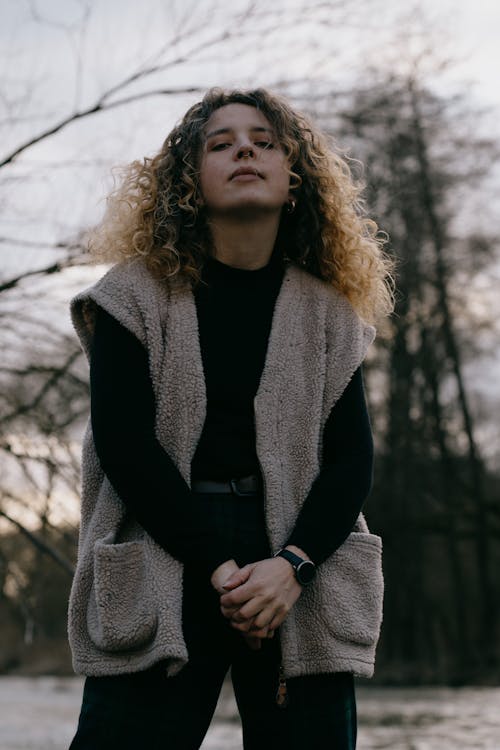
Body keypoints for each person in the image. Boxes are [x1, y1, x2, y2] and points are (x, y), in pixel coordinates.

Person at [67, 87, 393, 750]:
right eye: (220, 143)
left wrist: (292, 566)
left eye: (264, 141)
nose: (244, 148)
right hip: (168, 544)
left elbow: (352, 461)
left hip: (298, 561)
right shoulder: (131, 296)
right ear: (187, 182)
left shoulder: (330, 312)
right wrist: (218, 567)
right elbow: (125, 447)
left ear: (295, 179)